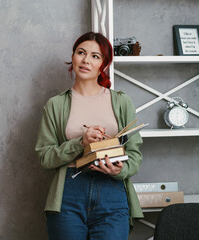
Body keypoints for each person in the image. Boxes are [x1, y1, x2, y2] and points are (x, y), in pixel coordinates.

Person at [35, 32, 144, 240]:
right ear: (73, 57)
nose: (86, 60)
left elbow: (134, 154)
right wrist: (80, 143)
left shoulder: (121, 102)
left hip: (112, 191)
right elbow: (45, 157)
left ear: (104, 64)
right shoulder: (55, 105)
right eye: (81, 53)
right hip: (69, 193)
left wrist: (120, 169)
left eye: (95, 56)